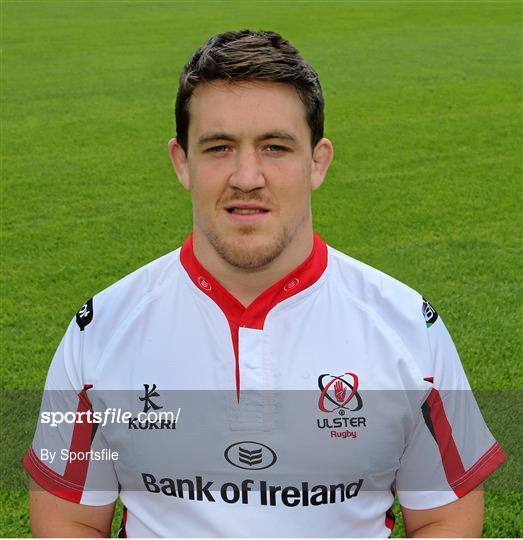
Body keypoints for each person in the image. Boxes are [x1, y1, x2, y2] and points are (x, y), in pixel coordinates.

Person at [24, 30, 506, 537]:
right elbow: (70, 518)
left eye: (275, 147)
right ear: (181, 162)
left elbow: (444, 516)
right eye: (219, 147)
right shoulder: (99, 330)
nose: (247, 176)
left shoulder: (408, 327)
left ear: (317, 162)